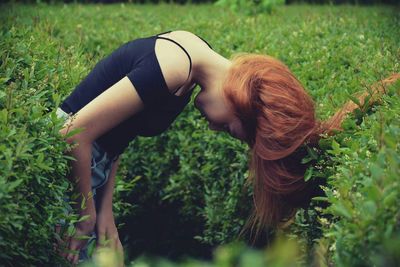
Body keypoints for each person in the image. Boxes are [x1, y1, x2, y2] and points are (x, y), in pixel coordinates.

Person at [56, 29, 399, 265]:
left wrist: (105, 213)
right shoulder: (176, 66)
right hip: (66, 171)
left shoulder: (190, 61)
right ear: (243, 102)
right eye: (233, 129)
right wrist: (86, 216)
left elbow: (115, 133)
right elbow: (73, 134)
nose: (216, 128)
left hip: (87, 172)